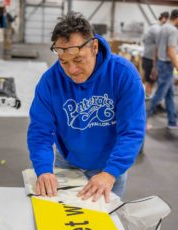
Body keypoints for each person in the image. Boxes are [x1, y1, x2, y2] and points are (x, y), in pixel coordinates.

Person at [27, 12, 145, 202]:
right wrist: (44, 170)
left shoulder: (124, 75)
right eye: (64, 62)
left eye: (79, 60)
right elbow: (40, 131)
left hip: (109, 164)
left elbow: (132, 131)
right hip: (68, 161)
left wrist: (110, 172)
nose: (71, 70)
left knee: (102, 223)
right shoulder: (50, 81)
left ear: (94, 47)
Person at [147, 9, 178, 129]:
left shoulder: (162, 27)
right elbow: (171, 51)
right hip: (166, 65)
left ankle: (172, 121)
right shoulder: (173, 30)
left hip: (161, 63)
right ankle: (142, 118)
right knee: (159, 95)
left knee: (169, 94)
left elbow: (156, 48)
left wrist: (155, 65)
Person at [142, 11, 169, 99]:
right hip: (150, 59)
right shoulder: (156, 28)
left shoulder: (157, 27)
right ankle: (148, 102)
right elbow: (163, 44)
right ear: (164, 18)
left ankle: (151, 100)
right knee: (150, 81)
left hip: (151, 58)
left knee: (153, 82)